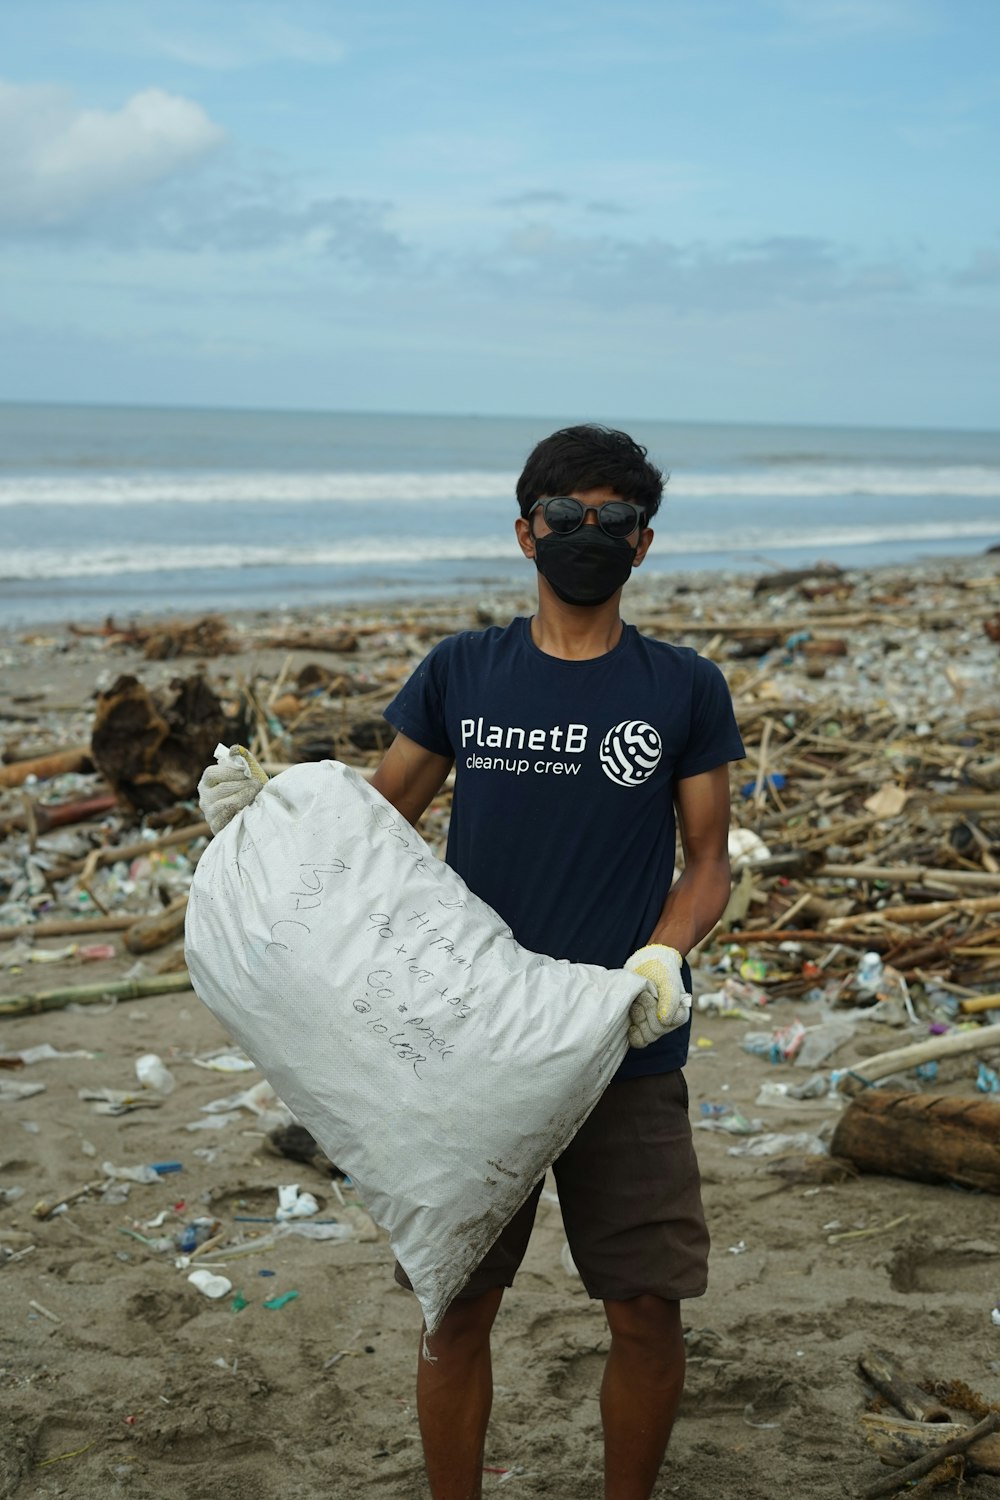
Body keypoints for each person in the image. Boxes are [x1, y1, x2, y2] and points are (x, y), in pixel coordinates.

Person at [368, 424, 746, 1500]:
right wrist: (274, 817)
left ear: (644, 544)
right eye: (566, 518)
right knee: (455, 1309)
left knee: (644, 1309)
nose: (588, 535)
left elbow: (709, 860)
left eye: (612, 520)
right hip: (472, 1044)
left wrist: (661, 963)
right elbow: (373, 827)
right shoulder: (461, 672)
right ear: (524, 532)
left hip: (621, 1041)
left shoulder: (682, 687)